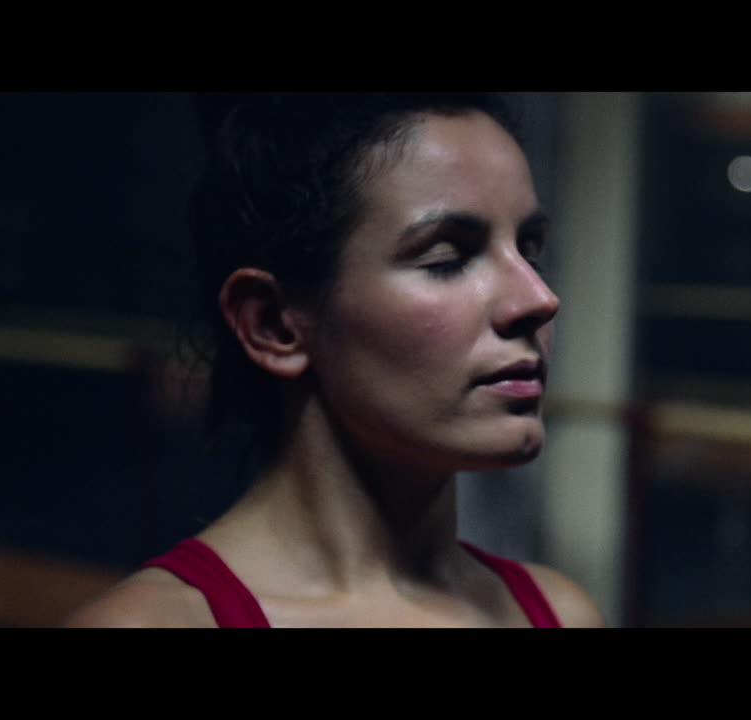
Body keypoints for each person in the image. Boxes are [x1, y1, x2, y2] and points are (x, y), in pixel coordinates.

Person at [65, 92, 604, 627]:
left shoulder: (558, 614)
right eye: (447, 258)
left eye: (530, 251)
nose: (538, 299)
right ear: (274, 325)